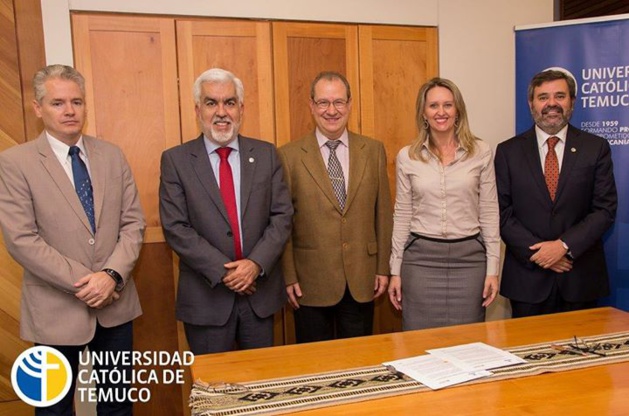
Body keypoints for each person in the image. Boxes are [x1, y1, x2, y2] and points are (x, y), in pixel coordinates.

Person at [0, 65, 145, 415]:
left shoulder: (112, 155)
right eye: (58, 103)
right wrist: (87, 283)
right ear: (38, 108)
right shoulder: (14, 163)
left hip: (115, 306)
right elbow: (21, 239)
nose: (69, 111)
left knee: (117, 405)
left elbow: (133, 223)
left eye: (76, 102)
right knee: (53, 409)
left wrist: (110, 277)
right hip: (54, 311)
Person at [159, 68, 292, 354]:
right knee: (213, 391)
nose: (222, 112)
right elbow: (176, 228)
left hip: (260, 297)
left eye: (229, 102)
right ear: (198, 110)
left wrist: (254, 265)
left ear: (241, 109)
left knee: (262, 390)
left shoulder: (266, 154)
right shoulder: (176, 160)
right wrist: (228, 273)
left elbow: (282, 217)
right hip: (207, 300)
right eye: (211, 103)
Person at [278, 71, 393, 343]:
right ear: (311, 105)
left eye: (339, 102)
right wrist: (288, 275)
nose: (332, 110)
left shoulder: (373, 150)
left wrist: (382, 268)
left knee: (358, 361)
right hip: (310, 283)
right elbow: (282, 222)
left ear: (350, 105)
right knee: (315, 365)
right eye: (323, 103)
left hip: (362, 279)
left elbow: (383, 214)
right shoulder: (288, 156)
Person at [494, 69, 617, 318]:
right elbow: (501, 213)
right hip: (527, 282)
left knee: (582, 357)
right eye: (543, 97)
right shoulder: (508, 151)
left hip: (580, 277)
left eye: (560, 96)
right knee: (528, 354)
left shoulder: (595, 148)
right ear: (531, 103)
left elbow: (604, 210)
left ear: (572, 101)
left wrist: (563, 246)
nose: (552, 104)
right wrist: (541, 254)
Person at [388, 77, 500, 330]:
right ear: (423, 113)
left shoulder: (481, 151)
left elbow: (490, 212)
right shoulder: (408, 157)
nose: (441, 112)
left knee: (468, 343)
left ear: (457, 110)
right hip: (420, 262)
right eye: (433, 106)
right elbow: (402, 215)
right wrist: (395, 270)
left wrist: (493, 269)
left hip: (469, 262)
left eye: (448, 105)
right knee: (419, 343)